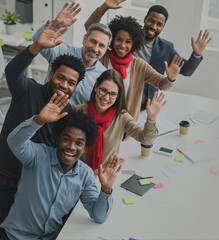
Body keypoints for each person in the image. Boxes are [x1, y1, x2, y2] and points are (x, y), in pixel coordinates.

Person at [0, 94, 121, 239]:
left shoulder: (85, 174)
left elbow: (98, 216)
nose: (71, 146)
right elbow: (14, 142)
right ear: (57, 139)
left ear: (85, 147)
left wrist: (106, 189)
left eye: (79, 143)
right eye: (66, 139)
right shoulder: (38, 155)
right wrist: (38, 120)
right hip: (15, 236)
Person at [0, 20, 85, 223]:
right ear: (50, 75)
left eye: (71, 83)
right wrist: (36, 47)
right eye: (60, 78)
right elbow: (12, 72)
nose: (64, 85)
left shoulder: (69, 113)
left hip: (32, 185)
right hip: (6, 176)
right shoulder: (27, 89)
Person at [89, 1, 211, 110]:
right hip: (109, 100)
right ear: (145, 18)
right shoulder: (127, 37)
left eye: (159, 24)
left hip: (140, 106)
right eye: (151, 21)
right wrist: (103, 8)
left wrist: (196, 54)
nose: (153, 26)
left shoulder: (166, 48)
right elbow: (94, 32)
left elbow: (186, 71)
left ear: (163, 26)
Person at [84, 3, 182, 121]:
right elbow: (91, 28)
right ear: (113, 39)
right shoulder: (103, 56)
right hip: (96, 115)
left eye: (128, 42)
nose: (122, 45)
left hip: (122, 122)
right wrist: (104, 7)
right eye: (119, 39)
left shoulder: (139, 65)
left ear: (134, 43)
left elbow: (162, 84)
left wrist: (171, 78)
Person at [75, 69, 166, 174]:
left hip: (105, 176)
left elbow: (145, 139)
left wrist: (151, 119)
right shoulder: (79, 111)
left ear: (118, 96)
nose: (106, 97)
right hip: (78, 173)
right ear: (96, 87)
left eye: (113, 94)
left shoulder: (121, 116)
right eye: (103, 90)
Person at [32, 2, 112, 106]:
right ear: (84, 39)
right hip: (43, 112)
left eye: (101, 46)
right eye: (93, 41)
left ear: (106, 50)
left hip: (73, 121)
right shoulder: (62, 50)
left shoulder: (103, 75)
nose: (95, 49)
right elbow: (37, 40)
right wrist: (57, 24)